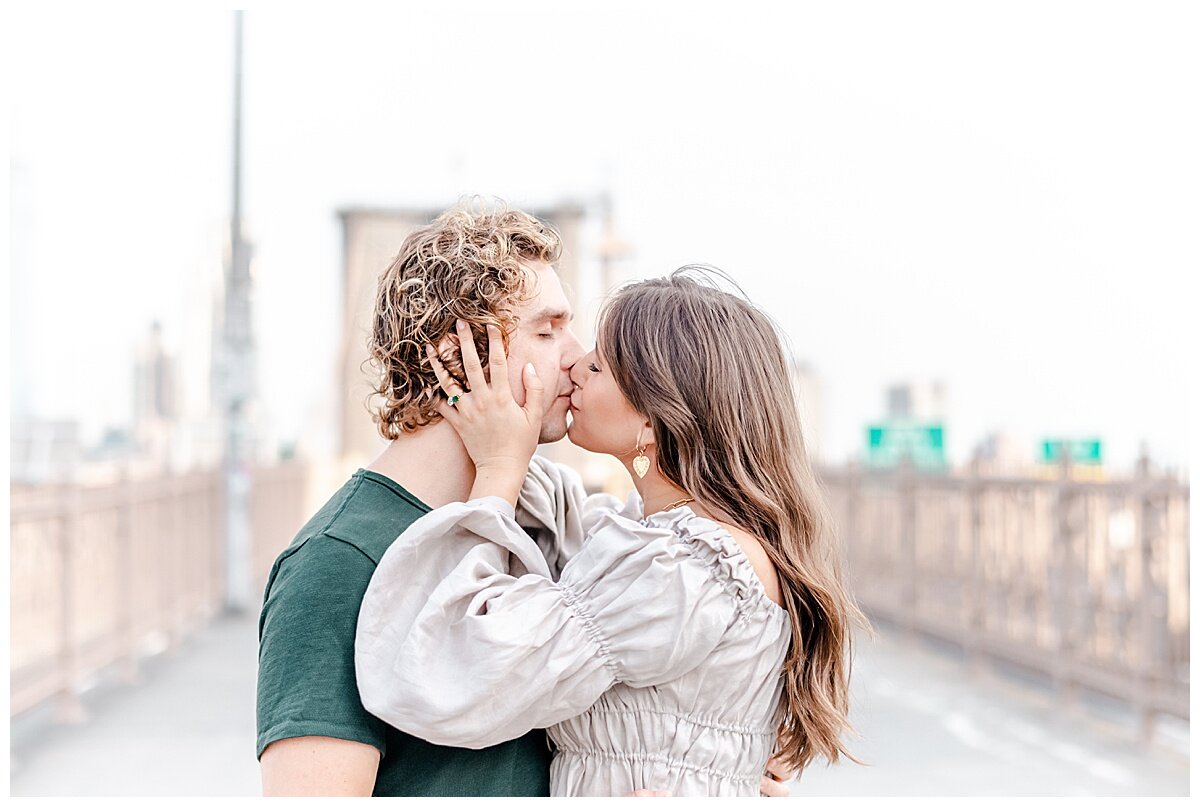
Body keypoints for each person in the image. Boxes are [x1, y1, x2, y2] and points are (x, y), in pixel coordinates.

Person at [256, 203, 791, 796]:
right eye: (547, 329)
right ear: (457, 354)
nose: (578, 356)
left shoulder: (553, 521)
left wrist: (726, 750)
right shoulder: (336, 564)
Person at [355, 267, 866, 796]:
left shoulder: (682, 569)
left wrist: (500, 469)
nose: (574, 365)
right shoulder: (652, 539)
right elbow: (563, 518)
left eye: (599, 365)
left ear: (653, 418)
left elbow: (461, 675)